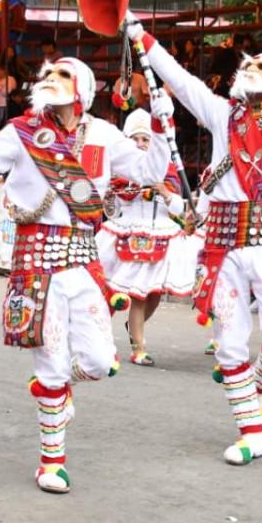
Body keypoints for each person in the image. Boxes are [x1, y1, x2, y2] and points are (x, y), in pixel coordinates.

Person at [0, 56, 172, 493]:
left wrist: (164, 126)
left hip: (84, 261)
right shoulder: (20, 131)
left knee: (97, 362)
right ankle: (51, 461)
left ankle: (58, 391)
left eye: (61, 75)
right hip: (36, 264)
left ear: (83, 90)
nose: (49, 80)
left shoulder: (104, 135)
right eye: (47, 75)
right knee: (51, 367)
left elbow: (152, 171)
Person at [125, 0, 262, 464]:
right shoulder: (221, 115)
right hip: (221, 246)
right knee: (229, 343)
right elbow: (178, 78)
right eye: (248, 64)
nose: (251, 68)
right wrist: (139, 32)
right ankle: (249, 430)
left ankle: (258, 394)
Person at [96, 109, 195, 366]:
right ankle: (137, 346)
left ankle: (132, 327)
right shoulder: (120, 173)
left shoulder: (169, 171)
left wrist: (164, 191)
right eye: (135, 139)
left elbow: (180, 211)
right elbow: (113, 212)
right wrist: (108, 199)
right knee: (135, 294)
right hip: (127, 234)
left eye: (146, 139)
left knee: (154, 294)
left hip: (161, 235)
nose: (140, 144)